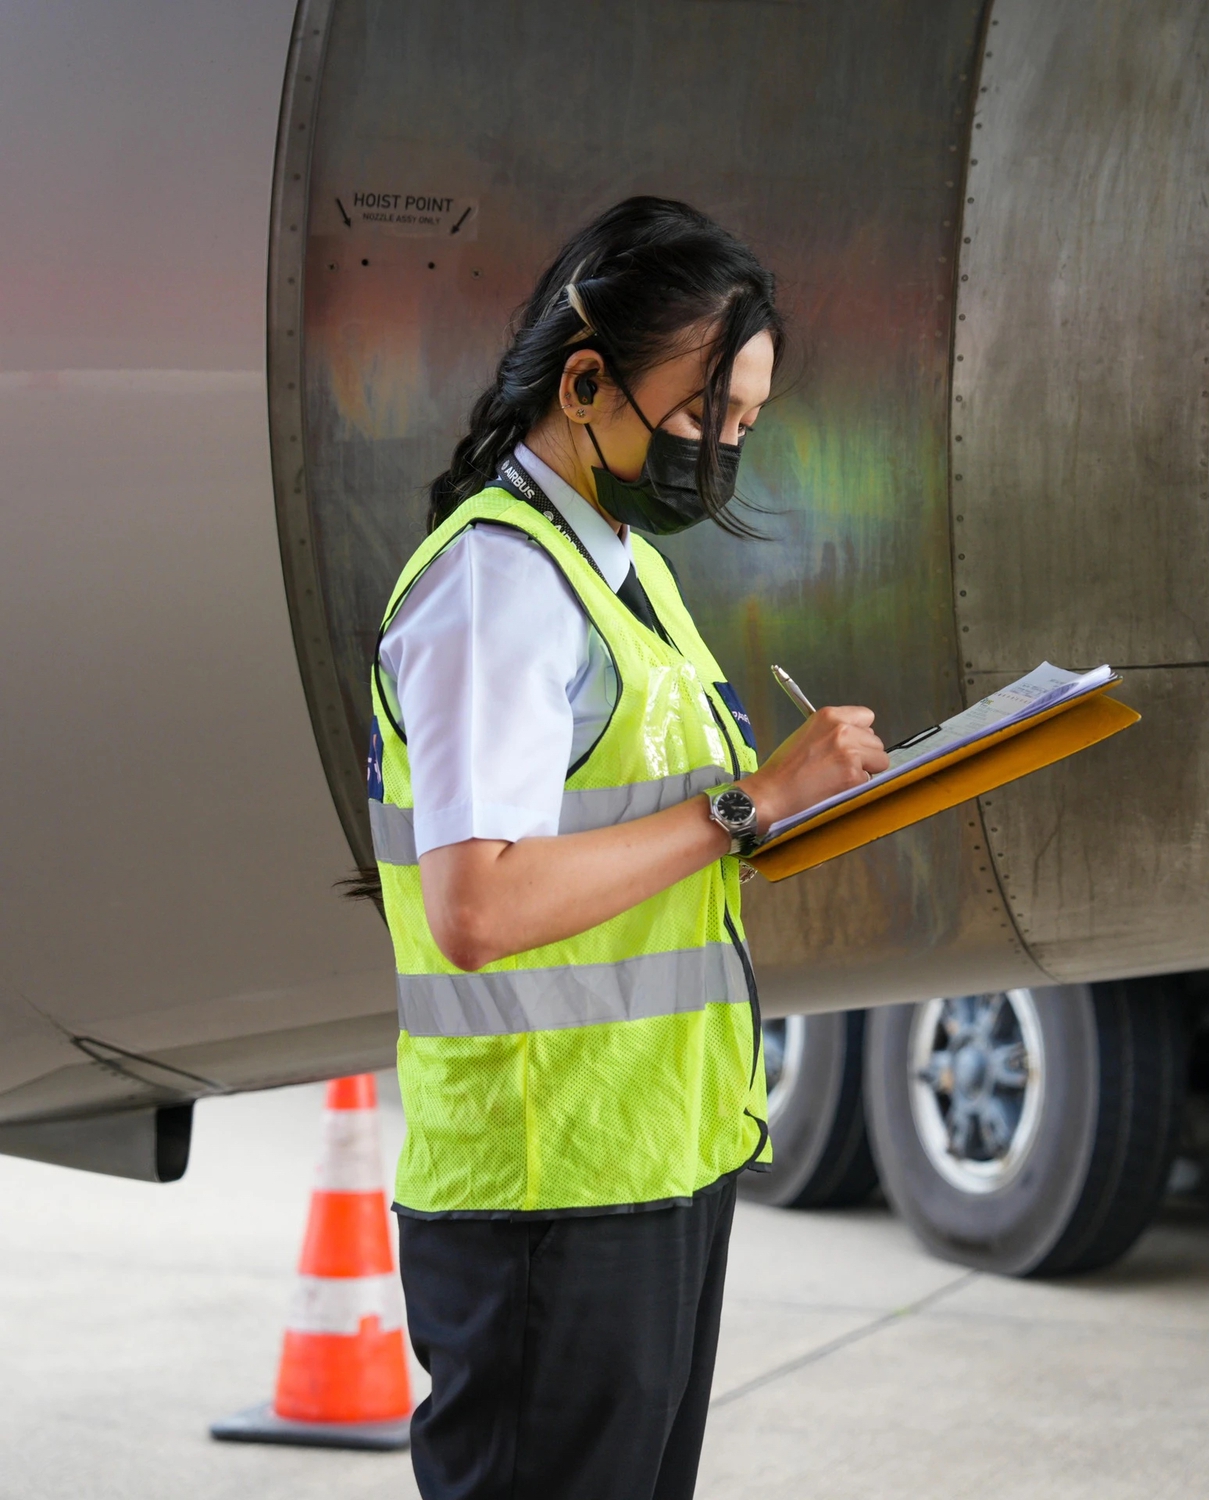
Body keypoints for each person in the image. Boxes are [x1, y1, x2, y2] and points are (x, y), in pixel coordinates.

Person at [366, 197, 889, 1500]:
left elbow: (648, 842)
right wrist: (746, 804)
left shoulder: (618, 570)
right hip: (552, 1191)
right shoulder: (498, 588)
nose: (720, 453)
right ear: (585, 381)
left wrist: (792, 809)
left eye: (747, 428)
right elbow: (475, 907)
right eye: (706, 415)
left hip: (650, 1165)